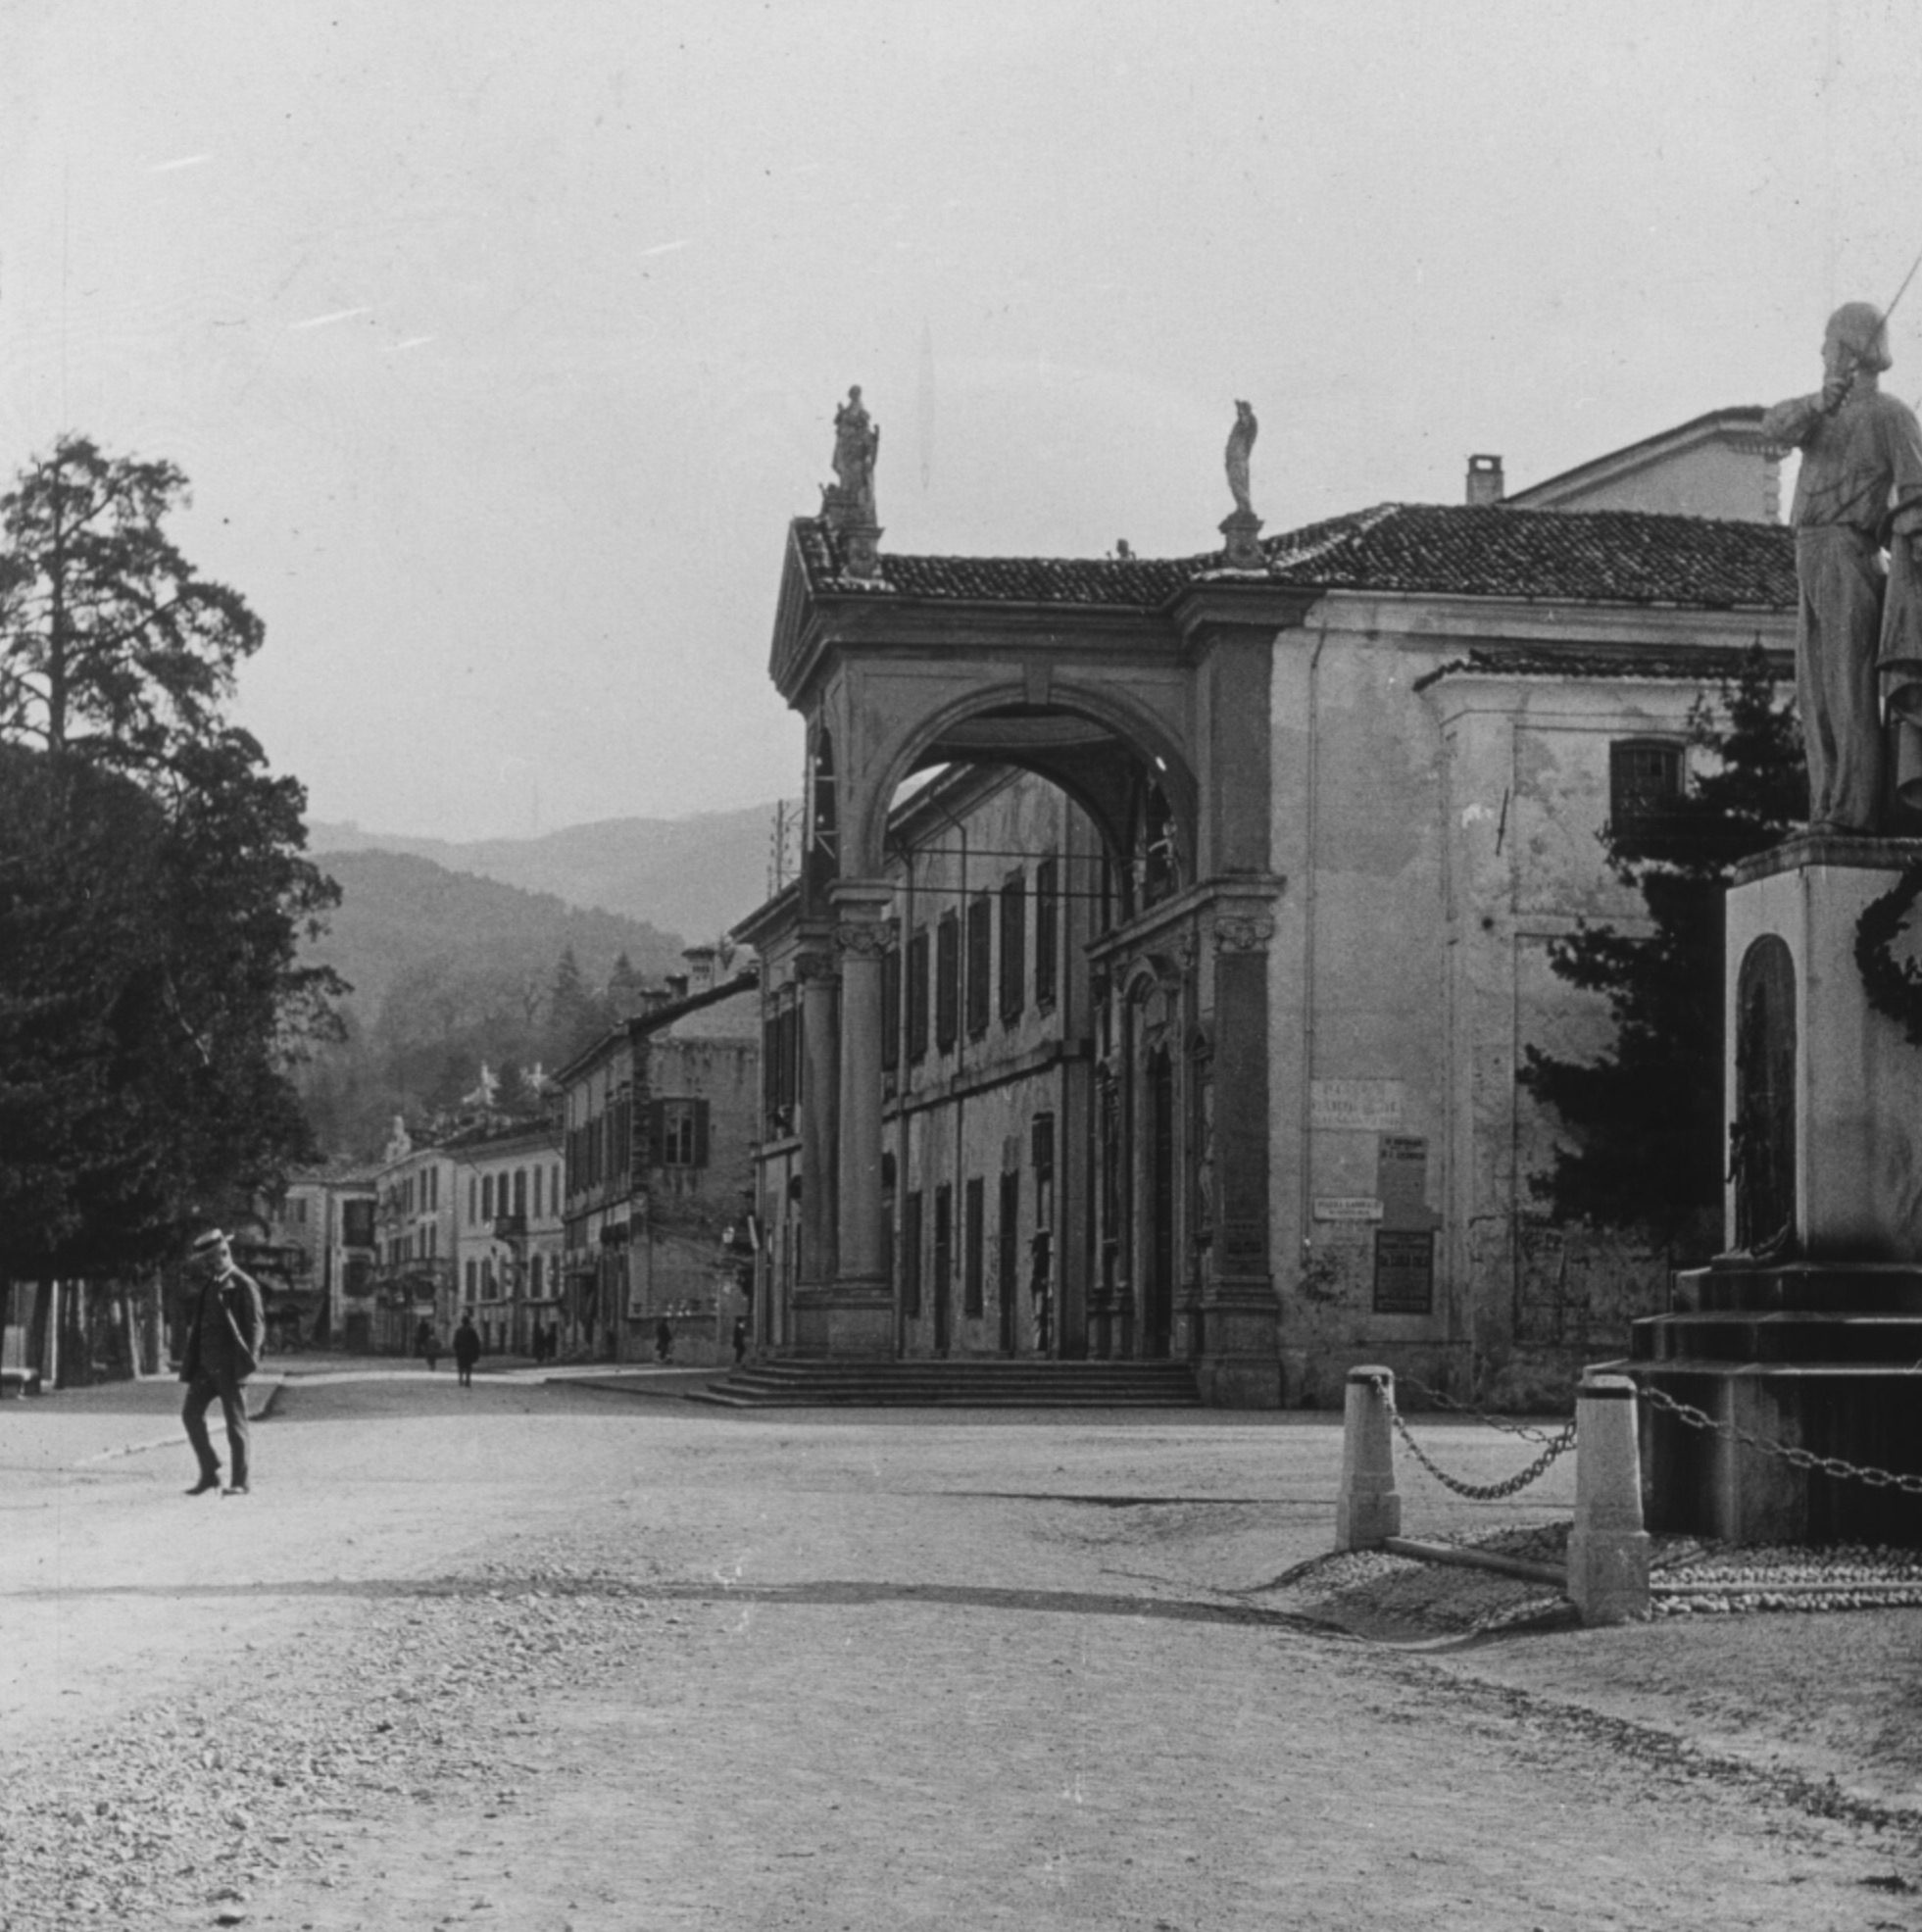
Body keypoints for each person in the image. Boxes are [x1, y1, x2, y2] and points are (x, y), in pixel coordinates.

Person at [1763, 301, 1922, 832]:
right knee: (1815, 697)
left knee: (1846, 688)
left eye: (1829, 345)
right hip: (1808, 553)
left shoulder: (1892, 416)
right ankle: (1826, 803)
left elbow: (1918, 493)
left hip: (1850, 553)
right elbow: (1772, 428)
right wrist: (1817, 403)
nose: (1822, 354)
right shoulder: (1817, 417)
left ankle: (1851, 812)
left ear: (1850, 352)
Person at [178, 1227, 267, 1498]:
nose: (210, 1266)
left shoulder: (243, 1284)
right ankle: (209, 1472)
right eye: (206, 1262)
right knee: (190, 1414)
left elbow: (255, 1328)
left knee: (235, 1424)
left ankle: (241, 1482)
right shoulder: (211, 1285)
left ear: (226, 1253)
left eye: (214, 1260)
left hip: (230, 1368)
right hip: (206, 1367)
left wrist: (246, 1366)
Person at [453, 1313, 480, 1388]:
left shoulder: (458, 1331)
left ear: (462, 1322)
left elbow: (455, 1342)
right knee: (468, 1367)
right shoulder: (471, 1331)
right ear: (468, 1322)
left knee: (461, 1366)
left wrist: (457, 1350)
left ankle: (460, 1380)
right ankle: (467, 1381)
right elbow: (476, 1342)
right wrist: (476, 1352)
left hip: (460, 1351)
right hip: (468, 1351)